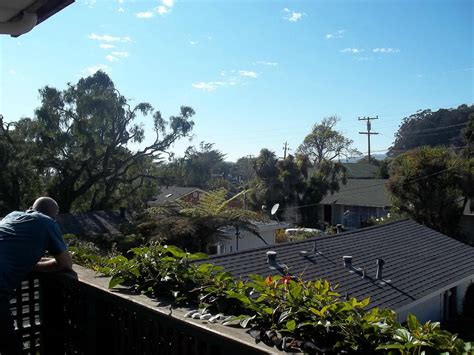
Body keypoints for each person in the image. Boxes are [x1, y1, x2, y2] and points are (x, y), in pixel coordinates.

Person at [0, 197, 72, 355]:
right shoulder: (47, 223)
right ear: (55, 216)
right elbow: (65, 264)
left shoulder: (12, 216)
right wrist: (35, 267)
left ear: (31, 208)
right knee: (10, 348)